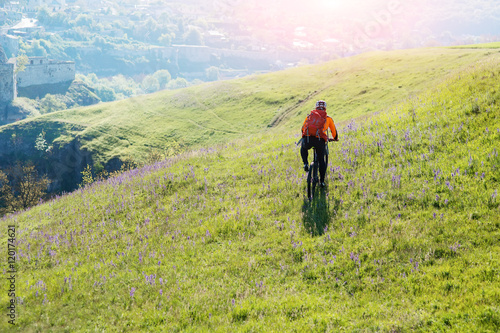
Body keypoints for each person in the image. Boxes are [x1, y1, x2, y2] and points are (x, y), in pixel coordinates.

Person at [300, 100, 338, 187]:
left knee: (303, 147)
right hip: (320, 141)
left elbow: (303, 128)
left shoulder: (310, 116)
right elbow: (334, 131)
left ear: (316, 107)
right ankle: (321, 181)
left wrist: (305, 136)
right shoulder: (328, 118)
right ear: (325, 108)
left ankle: (305, 163)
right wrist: (335, 138)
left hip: (308, 139)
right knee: (321, 160)